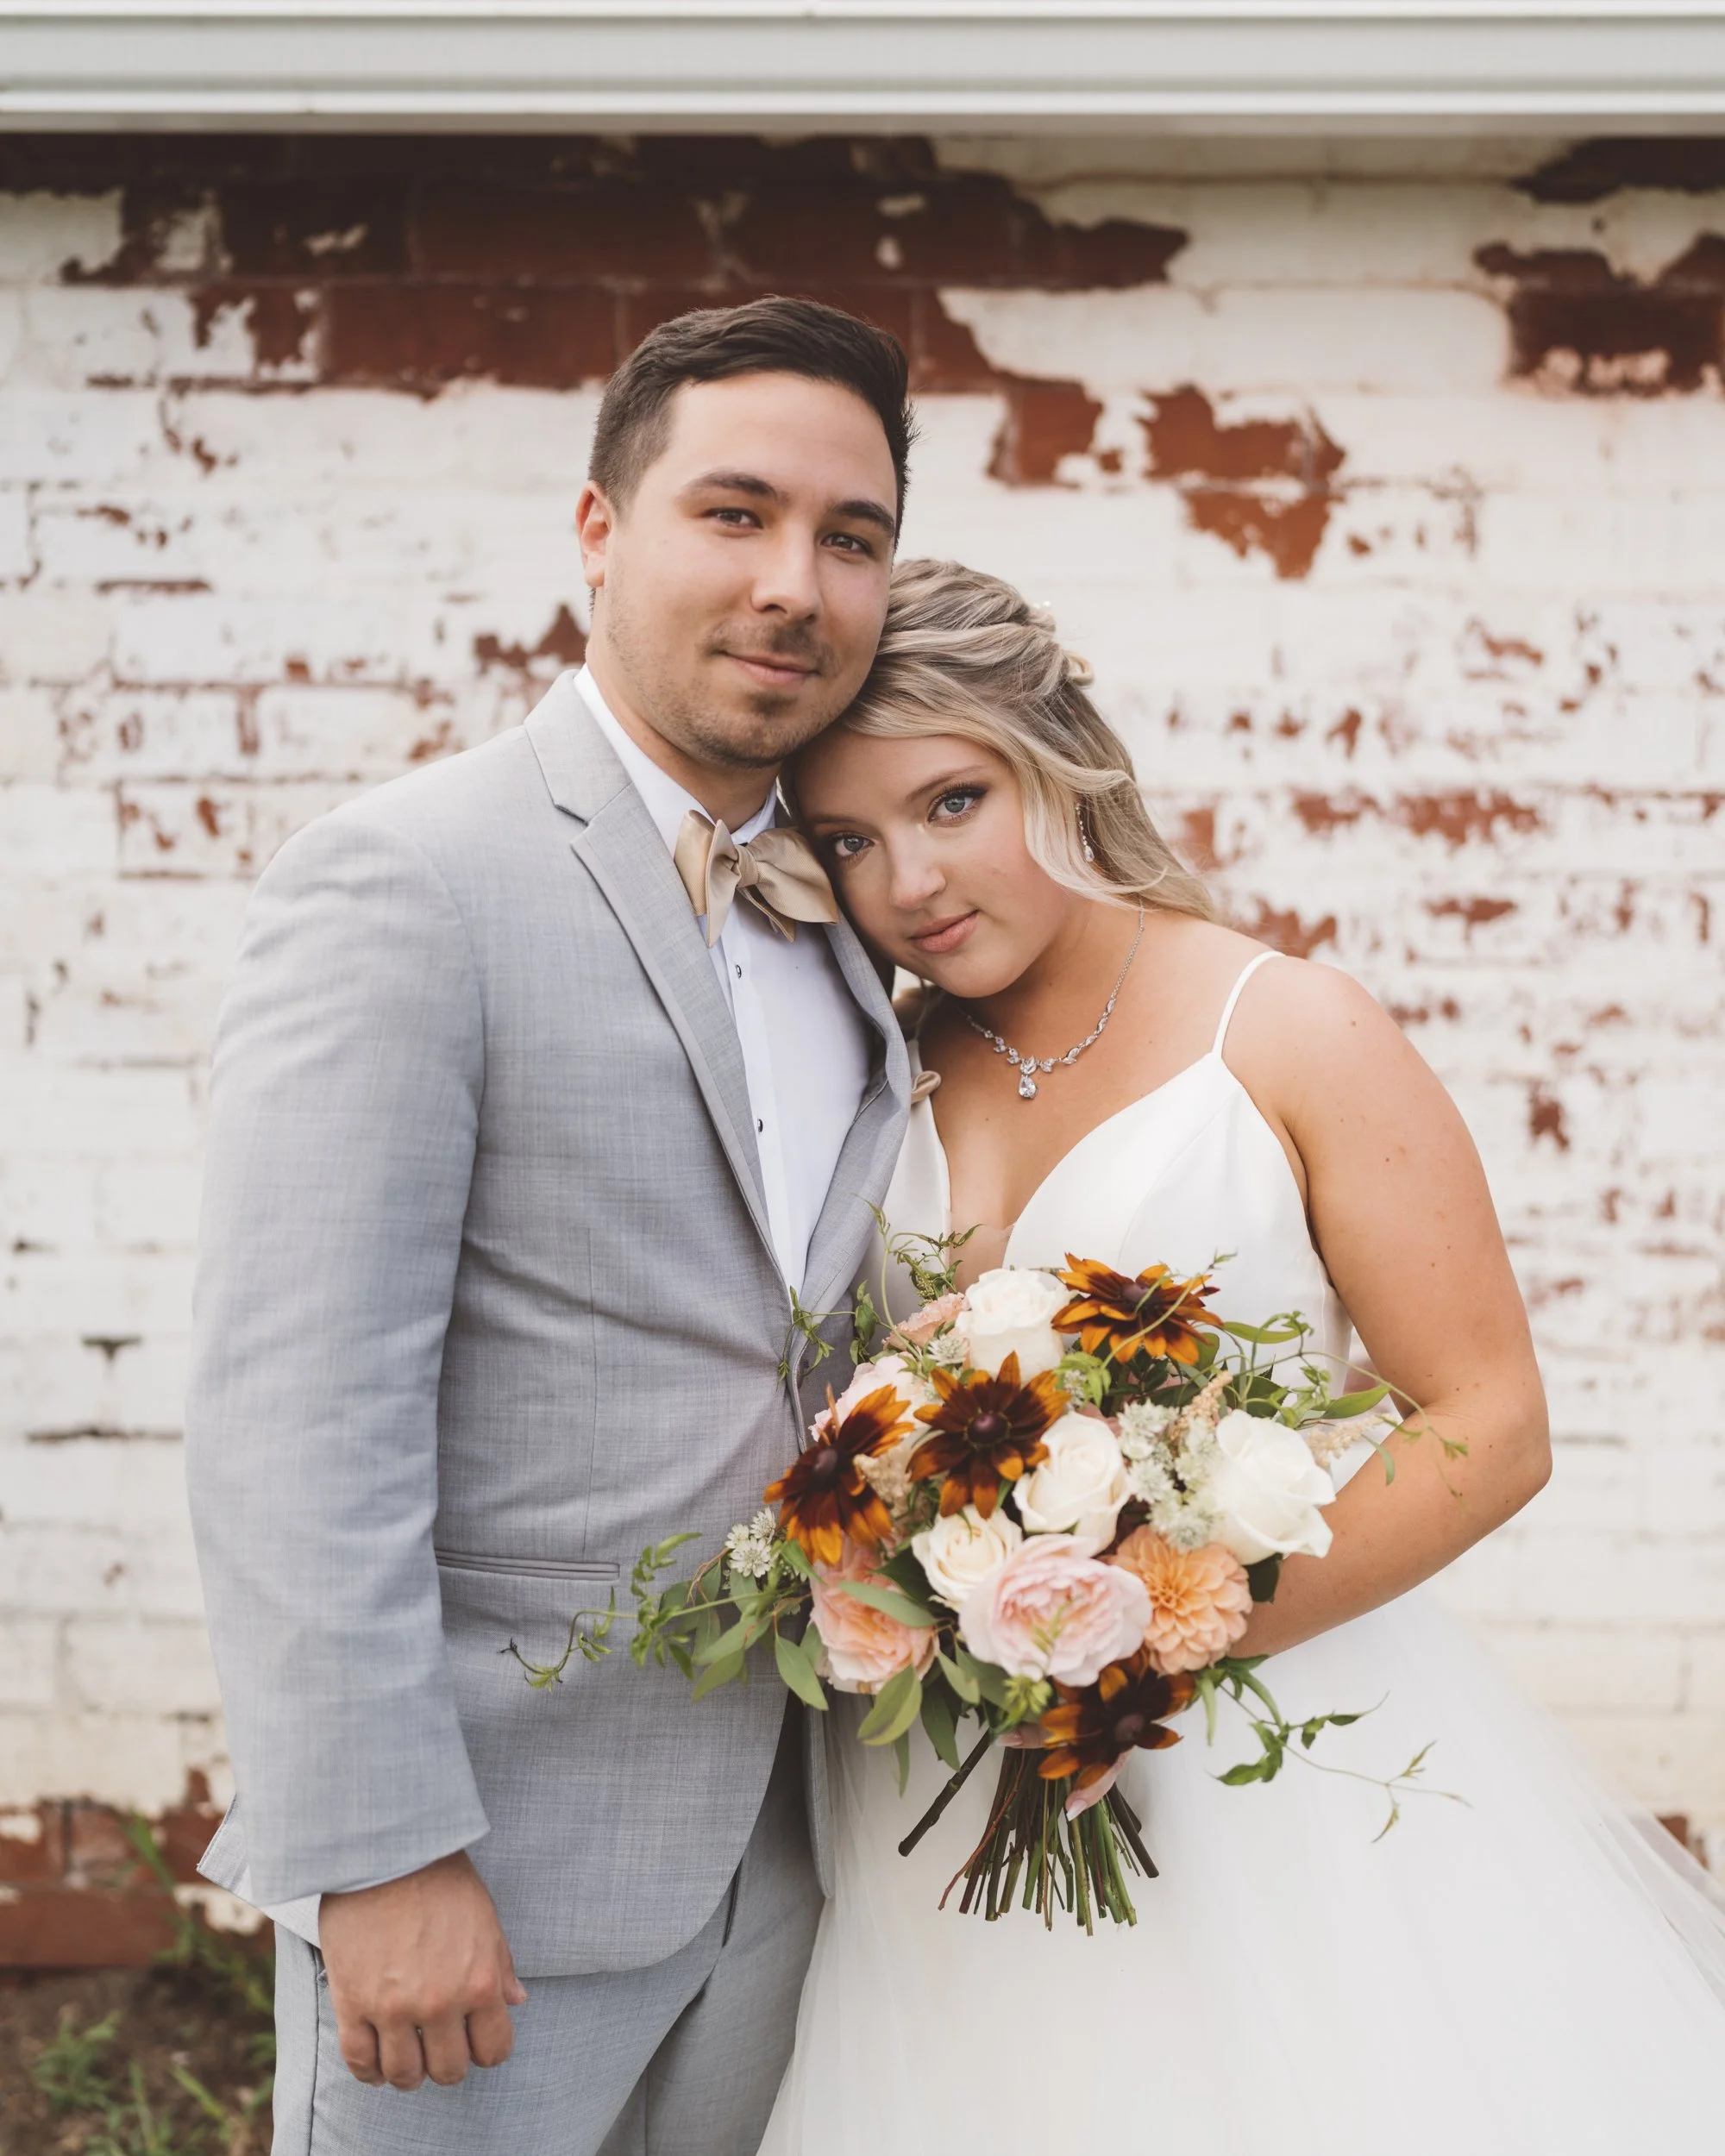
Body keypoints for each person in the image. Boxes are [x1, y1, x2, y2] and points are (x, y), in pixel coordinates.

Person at [763, 556, 1725, 2155]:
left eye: (951, 801)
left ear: (1061, 764)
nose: (907, 882)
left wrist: (1142, 1643)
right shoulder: (879, 1062)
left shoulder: (1289, 1030)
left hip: (1247, 1766)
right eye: (850, 842)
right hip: (934, 1786)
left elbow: (1491, 1420)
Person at [184, 295, 914, 2155]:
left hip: (790, 1843)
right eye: (733, 513)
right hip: (488, 1863)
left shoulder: (854, 914)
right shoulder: (408, 878)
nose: (795, 586)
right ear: (600, 530)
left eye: (851, 536)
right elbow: (295, 1413)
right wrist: (381, 1850)